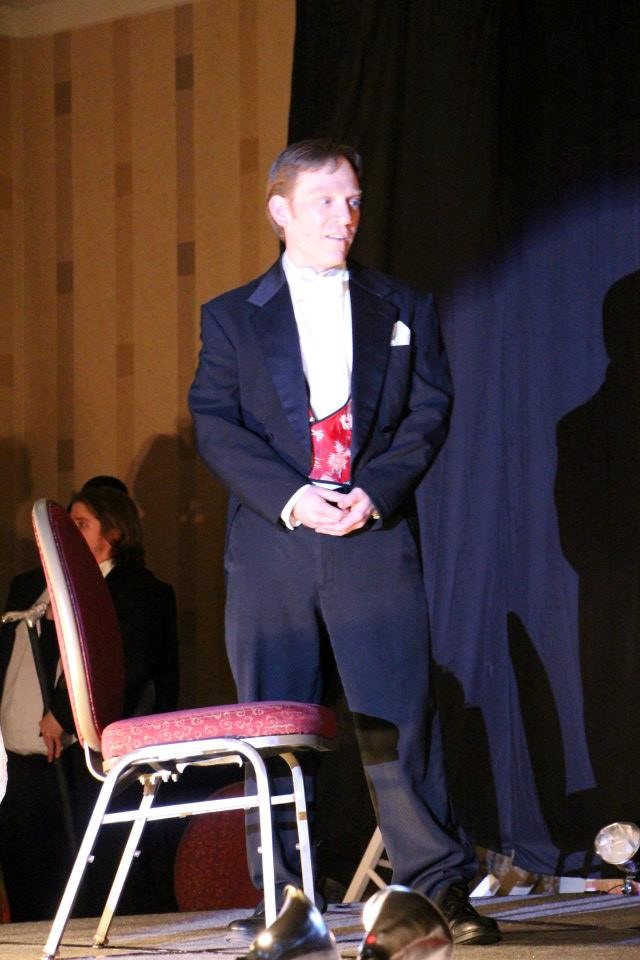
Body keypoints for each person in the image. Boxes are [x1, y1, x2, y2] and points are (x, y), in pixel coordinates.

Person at [188, 139, 501, 945]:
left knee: (397, 719)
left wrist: (376, 491)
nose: (345, 216)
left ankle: (436, 888)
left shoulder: (402, 306)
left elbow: (429, 408)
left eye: (353, 200)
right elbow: (216, 422)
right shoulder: (231, 316)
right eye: (325, 201)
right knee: (276, 727)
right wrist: (293, 497)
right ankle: (284, 900)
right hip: (275, 544)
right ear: (280, 210)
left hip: (371, 536)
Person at [0, 478, 179, 920]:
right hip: (20, 752)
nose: (69, 535)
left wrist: (62, 714)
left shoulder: (136, 589)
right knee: (27, 856)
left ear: (113, 532)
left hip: (87, 752)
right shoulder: (32, 585)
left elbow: (124, 661)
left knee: (87, 854)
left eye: (81, 524)